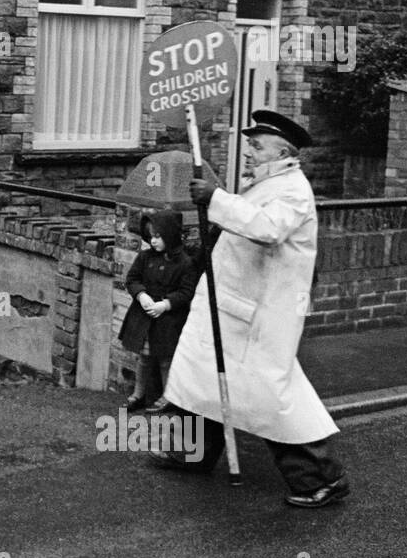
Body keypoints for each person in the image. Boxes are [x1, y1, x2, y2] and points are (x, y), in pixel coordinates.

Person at [154, 110, 350, 509]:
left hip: (261, 315)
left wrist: (215, 198)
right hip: (234, 307)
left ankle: (322, 478)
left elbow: (267, 229)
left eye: (257, 147)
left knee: (270, 397)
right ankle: (193, 453)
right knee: (205, 380)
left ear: (283, 153)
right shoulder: (266, 183)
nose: (248, 153)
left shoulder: (293, 190)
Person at [118, 211, 198, 413]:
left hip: (168, 320)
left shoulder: (185, 263)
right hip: (145, 317)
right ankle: (138, 394)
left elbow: (186, 292)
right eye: (150, 237)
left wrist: (166, 304)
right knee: (144, 358)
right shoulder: (145, 257)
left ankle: (167, 396)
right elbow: (132, 279)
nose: (153, 241)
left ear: (170, 235)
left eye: (158, 237)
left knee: (166, 359)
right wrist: (141, 295)